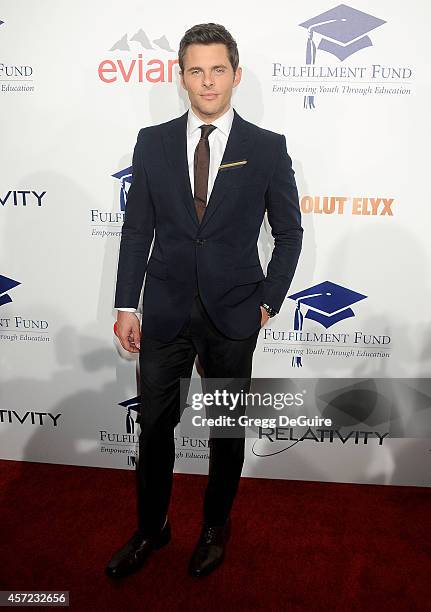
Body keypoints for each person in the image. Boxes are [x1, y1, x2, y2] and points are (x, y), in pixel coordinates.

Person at [105, 22, 303, 579]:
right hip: (164, 313)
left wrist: (268, 299)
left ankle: (216, 526)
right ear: (181, 77)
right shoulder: (154, 141)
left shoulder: (266, 148)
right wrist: (126, 304)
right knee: (155, 430)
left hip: (235, 314)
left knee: (226, 430)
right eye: (196, 70)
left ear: (236, 75)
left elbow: (289, 233)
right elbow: (136, 229)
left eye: (219, 69)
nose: (208, 81)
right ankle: (152, 529)